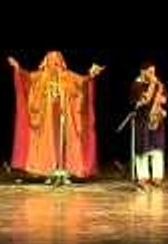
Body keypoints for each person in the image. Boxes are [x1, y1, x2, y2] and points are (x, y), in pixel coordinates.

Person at [8, 51, 104, 183]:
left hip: (64, 118)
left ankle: (64, 169)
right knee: (48, 143)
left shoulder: (68, 76)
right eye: (51, 61)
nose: (54, 64)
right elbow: (27, 79)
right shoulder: (40, 77)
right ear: (46, 62)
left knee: (65, 142)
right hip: (46, 121)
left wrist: (91, 75)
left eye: (57, 62)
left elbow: (82, 83)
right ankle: (48, 170)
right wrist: (18, 69)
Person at [130, 61, 167, 188]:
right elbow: (145, 100)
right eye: (150, 72)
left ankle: (157, 177)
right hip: (143, 119)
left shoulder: (158, 83)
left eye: (154, 72)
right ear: (143, 71)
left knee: (157, 148)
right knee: (143, 149)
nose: (153, 75)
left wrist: (161, 100)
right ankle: (143, 177)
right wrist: (152, 84)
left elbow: (164, 98)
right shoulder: (136, 84)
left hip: (156, 118)